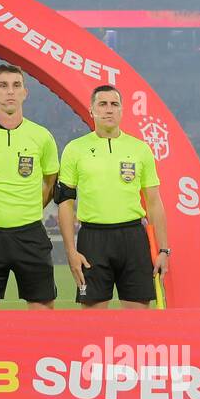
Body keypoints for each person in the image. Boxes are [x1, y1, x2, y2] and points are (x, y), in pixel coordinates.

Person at [55, 85, 169, 309]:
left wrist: (164, 250)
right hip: (93, 240)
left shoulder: (140, 149)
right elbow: (65, 204)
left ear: (122, 110)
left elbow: (154, 203)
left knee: (139, 322)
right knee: (94, 324)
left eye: (114, 104)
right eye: (102, 104)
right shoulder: (75, 149)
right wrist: (71, 251)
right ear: (91, 110)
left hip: (133, 239)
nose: (109, 110)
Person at [0, 64, 60, 309]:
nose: (10, 92)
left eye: (16, 85)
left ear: (25, 92)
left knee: (44, 317)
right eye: (3, 86)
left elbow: (50, 183)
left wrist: (29, 208)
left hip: (31, 233)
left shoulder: (42, 136)